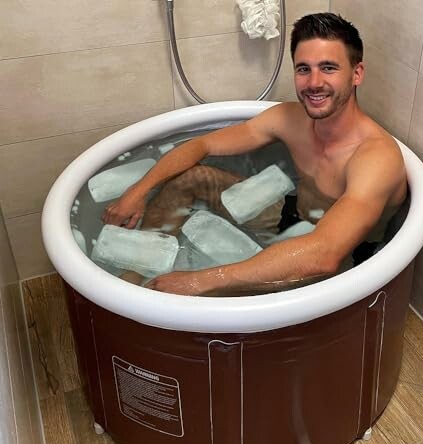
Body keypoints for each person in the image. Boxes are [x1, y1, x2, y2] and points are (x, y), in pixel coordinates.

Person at [102, 12, 407, 296]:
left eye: (329, 68)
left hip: (340, 264)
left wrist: (200, 280)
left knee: (218, 294)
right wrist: (138, 190)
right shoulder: (291, 119)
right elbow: (202, 145)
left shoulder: (376, 158)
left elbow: (325, 253)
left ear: (357, 74)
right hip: (290, 219)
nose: (314, 83)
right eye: (304, 69)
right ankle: (132, 282)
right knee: (194, 178)